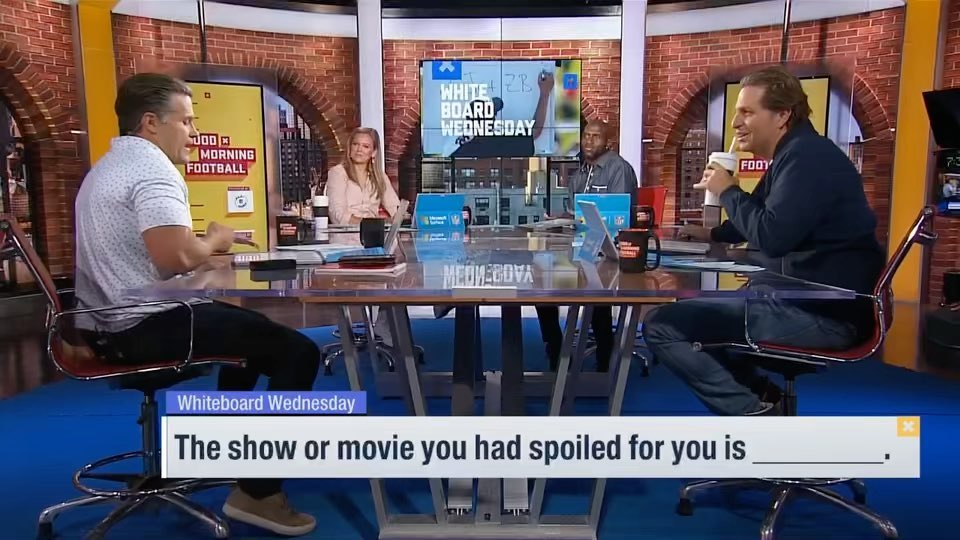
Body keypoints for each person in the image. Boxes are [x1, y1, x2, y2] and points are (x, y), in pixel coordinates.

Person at [73, 73, 321, 536]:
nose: (195, 132)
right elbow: (177, 258)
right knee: (298, 352)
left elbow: (161, 254)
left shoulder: (109, 165)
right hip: (141, 326)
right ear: (151, 123)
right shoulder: (151, 168)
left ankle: (232, 456)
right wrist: (215, 240)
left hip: (105, 324)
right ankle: (258, 493)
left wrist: (204, 249)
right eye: (186, 122)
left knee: (251, 338)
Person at [643, 65, 885, 416]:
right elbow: (759, 214)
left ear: (782, 115)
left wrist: (727, 190)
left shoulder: (807, 158)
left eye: (747, 112)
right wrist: (713, 234)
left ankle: (756, 415)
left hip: (824, 316)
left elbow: (771, 237)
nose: (735, 123)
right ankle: (763, 399)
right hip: (805, 301)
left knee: (663, 325)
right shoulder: (796, 152)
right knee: (697, 318)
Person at [536, 120, 639, 371]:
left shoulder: (618, 169)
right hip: (581, 246)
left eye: (595, 136)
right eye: (586, 135)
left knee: (595, 287)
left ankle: (605, 356)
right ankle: (555, 347)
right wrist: (560, 219)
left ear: (608, 142)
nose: (589, 141)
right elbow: (577, 214)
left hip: (609, 249)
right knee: (542, 284)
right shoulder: (581, 172)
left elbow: (620, 216)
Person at [325, 127, 402, 225]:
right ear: (350, 148)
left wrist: (400, 217)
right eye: (355, 144)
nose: (359, 150)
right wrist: (373, 224)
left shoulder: (379, 176)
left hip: (374, 232)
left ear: (374, 152)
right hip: (346, 231)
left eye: (365, 146)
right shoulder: (338, 173)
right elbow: (337, 215)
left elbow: (395, 208)